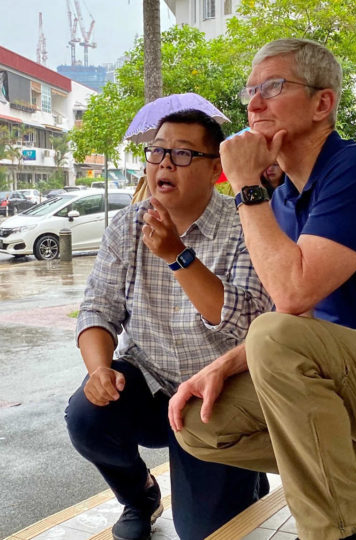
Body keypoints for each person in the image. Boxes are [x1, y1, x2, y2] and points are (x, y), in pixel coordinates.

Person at [168, 39, 356, 540]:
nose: (254, 104)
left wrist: (248, 185)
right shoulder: (286, 198)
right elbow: (303, 318)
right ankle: (353, 461)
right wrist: (221, 365)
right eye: (251, 91)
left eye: (272, 86)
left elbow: (290, 299)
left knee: (273, 333)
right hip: (352, 384)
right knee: (199, 423)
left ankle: (343, 531)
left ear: (322, 103)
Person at [66, 109, 272, 540]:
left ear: (216, 168)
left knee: (202, 532)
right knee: (87, 416)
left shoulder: (242, 225)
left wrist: (179, 257)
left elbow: (250, 322)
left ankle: (247, 479)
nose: (163, 163)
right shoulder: (128, 224)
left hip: (218, 392)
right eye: (157, 151)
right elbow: (96, 309)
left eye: (182, 154)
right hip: (150, 381)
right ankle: (139, 495)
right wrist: (99, 370)